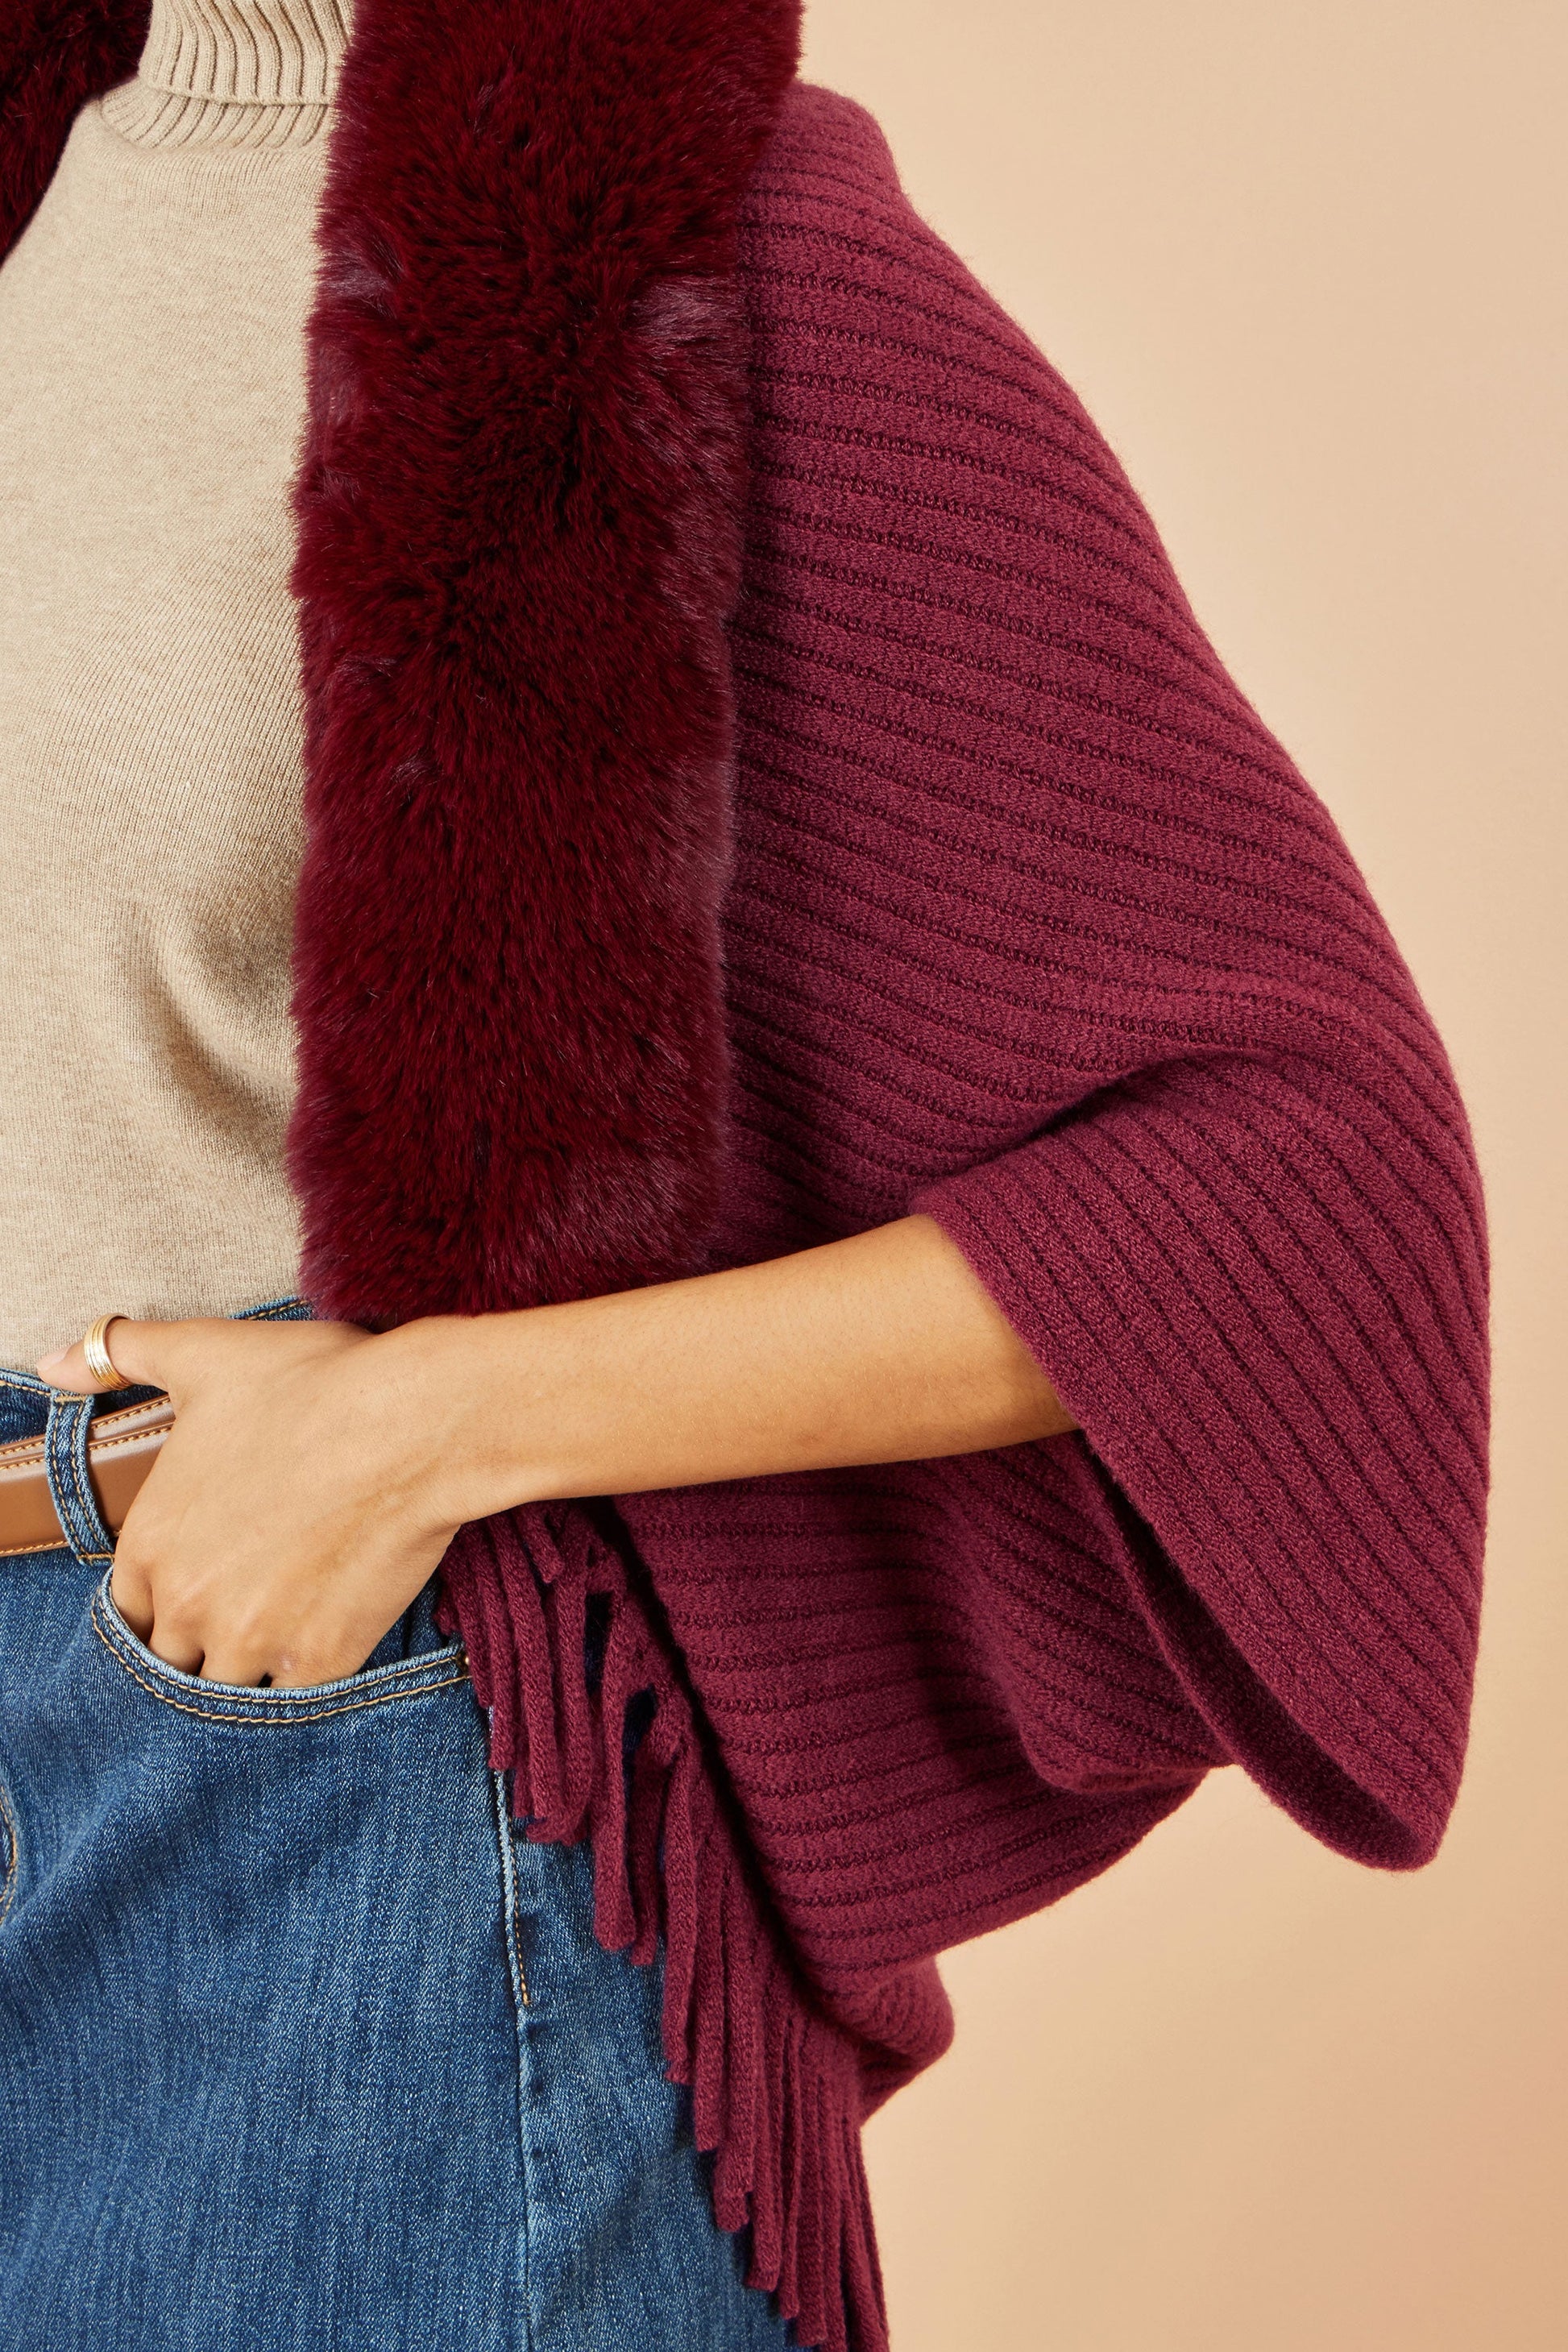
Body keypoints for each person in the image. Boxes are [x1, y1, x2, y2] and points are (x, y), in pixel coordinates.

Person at [0, 3, 1489, 2348]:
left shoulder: (671, 242)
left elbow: (1291, 1176)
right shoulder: (30, 213)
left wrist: (421, 1426)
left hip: (321, 1753)